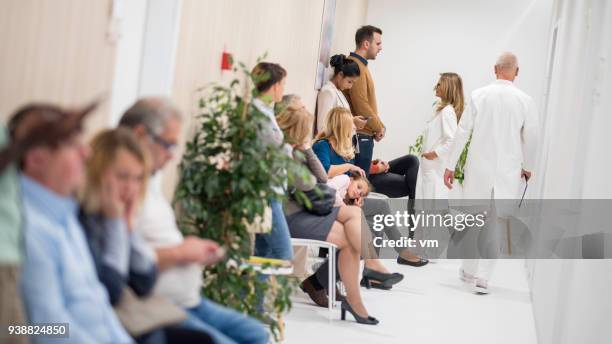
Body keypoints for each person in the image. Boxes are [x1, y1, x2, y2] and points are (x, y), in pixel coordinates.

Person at [119, 97, 269, 344]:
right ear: (139, 135)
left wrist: (192, 250)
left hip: (189, 300)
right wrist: (182, 252)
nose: (171, 156)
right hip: (158, 307)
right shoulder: (121, 186)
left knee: (256, 333)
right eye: (167, 145)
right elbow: (126, 262)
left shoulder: (147, 181)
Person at [78, 128, 214, 344]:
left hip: (118, 321)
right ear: (97, 172)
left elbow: (144, 281)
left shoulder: (111, 217)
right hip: (70, 328)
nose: (131, 188)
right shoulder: (83, 220)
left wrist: (128, 228)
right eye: (123, 177)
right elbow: (111, 291)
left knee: (202, 340)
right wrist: (116, 224)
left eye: (138, 178)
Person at [11, 103, 133, 343]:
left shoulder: (66, 216)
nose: (86, 153)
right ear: (37, 159)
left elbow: (100, 305)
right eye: (73, 146)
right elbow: (47, 329)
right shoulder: (28, 228)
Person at [275, 95, 378, 325]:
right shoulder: (281, 150)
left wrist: (305, 147)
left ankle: (357, 291)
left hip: (306, 207)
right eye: (301, 108)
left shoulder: (300, 148)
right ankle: (363, 276)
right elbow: (309, 185)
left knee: (354, 222)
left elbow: (320, 177)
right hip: (291, 213)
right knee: (353, 228)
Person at [444, 52, 539, 294]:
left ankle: (468, 271)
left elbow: (463, 132)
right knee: (498, 223)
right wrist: (528, 166)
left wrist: (450, 165)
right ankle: (484, 278)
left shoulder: (479, 95)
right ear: (516, 72)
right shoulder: (525, 101)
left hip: (479, 169)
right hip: (507, 171)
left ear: (494, 69)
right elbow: (532, 137)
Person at [313, 107, 429, 268]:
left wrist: (358, 192)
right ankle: (395, 256)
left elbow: (350, 179)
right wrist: (347, 167)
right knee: (380, 208)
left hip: (346, 199)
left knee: (378, 214)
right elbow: (324, 173)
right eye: (351, 126)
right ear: (342, 126)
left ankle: (373, 268)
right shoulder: (322, 146)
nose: (354, 129)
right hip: (331, 202)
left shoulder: (343, 148)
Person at [250, 62, 294, 261]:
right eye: (283, 85)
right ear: (275, 85)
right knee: (282, 254)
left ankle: (252, 293)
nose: (283, 90)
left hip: (274, 189)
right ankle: (247, 293)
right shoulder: (257, 114)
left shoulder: (267, 112)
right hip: (266, 191)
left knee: (264, 254)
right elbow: (273, 150)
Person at [419, 72, 464, 199]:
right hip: (430, 170)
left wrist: (433, 154)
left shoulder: (447, 112)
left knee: (432, 212)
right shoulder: (442, 112)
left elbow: (452, 140)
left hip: (435, 170)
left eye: (439, 84)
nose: (436, 87)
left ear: (448, 87)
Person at [316, 54, 367, 134]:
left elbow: (338, 119)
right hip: (335, 144)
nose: (350, 86)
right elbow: (322, 127)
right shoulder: (328, 92)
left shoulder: (338, 91)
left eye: (353, 83)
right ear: (340, 75)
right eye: (349, 82)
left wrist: (352, 120)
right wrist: (351, 122)